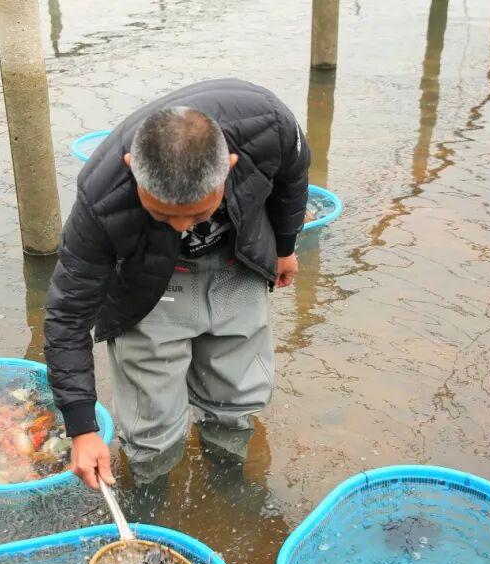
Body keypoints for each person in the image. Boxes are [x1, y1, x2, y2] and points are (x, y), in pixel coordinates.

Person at [44, 78, 310, 490]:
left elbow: (292, 178)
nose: (182, 227)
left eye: (198, 214)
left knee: (237, 392)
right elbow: (68, 313)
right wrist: (81, 427)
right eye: (164, 215)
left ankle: (227, 474)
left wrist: (285, 247)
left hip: (235, 259)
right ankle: (150, 484)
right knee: (151, 416)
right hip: (148, 281)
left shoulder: (269, 125)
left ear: (230, 167)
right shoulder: (101, 198)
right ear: (132, 169)